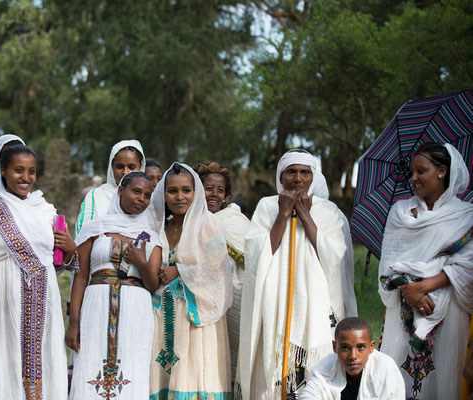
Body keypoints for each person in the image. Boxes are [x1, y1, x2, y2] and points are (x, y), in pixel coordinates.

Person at [237, 149, 356, 399]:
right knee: (273, 366)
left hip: (314, 302)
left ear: (313, 177)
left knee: (309, 374)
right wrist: (283, 214)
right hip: (275, 300)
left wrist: (304, 214)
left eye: (305, 173)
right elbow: (257, 255)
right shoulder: (267, 207)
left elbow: (333, 257)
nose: (298, 179)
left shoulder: (328, 211)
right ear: (281, 177)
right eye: (291, 172)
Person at [0, 144, 70, 399]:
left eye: (31, 171)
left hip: (44, 300)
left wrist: (71, 249)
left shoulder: (45, 210)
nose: (26, 178)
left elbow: (57, 261)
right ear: (2, 170)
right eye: (18, 170)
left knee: (45, 362)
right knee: (5, 361)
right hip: (3, 298)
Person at [378, 142, 473, 399]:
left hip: (449, 308)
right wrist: (410, 291)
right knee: (398, 375)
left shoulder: (466, 215)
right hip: (403, 307)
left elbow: (468, 265)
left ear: (442, 171)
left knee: (443, 374)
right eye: (412, 172)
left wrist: (423, 288)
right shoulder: (400, 211)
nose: (413, 178)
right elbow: (388, 263)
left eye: (421, 171)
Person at [67, 171, 162, 399]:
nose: (141, 199)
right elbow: (81, 277)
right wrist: (73, 323)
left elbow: (152, 284)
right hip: (95, 308)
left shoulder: (152, 236)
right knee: (90, 369)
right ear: (120, 190)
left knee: (132, 372)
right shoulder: (94, 229)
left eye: (147, 195)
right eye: (136, 191)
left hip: (136, 312)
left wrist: (141, 262)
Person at [148, 162, 233, 399]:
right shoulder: (159, 228)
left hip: (195, 320)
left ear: (195, 193)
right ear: (163, 194)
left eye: (186, 190)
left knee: (193, 373)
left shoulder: (208, 224)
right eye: (172, 191)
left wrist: (180, 271)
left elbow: (218, 272)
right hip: (162, 315)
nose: (179, 197)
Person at [195, 161, 250, 390]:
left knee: (233, 355)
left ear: (227, 195)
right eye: (208, 188)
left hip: (235, 301)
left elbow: (252, 261)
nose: (214, 195)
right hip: (199, 302)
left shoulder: (234, 221)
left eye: (220, 190)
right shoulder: (188, 221)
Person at [301, 317, 405, 400]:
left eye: (361, 347)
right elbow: (309, 395)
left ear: (371, 346)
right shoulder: (325, 369)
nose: (353, 356)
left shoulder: (385, 368)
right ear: (334, 347)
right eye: (345, 348)